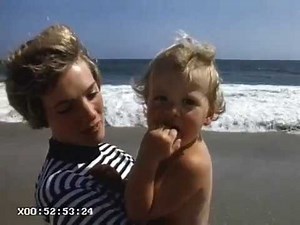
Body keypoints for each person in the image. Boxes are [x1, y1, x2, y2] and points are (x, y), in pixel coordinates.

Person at [5, 24, 135, 225]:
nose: (90, 113)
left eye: (92, 94)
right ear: (41, 115)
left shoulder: (107, 152)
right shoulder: (61, 186)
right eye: (66, 108)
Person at [125, 33, 225, 225]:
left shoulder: (191, 164)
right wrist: (119, 184)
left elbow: (139, 213)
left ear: (209, 114)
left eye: (188, 102)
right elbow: (152, 190)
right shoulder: (163, 142)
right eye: (161, 98)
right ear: (147, 101)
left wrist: (147, 158)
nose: (171, 112)